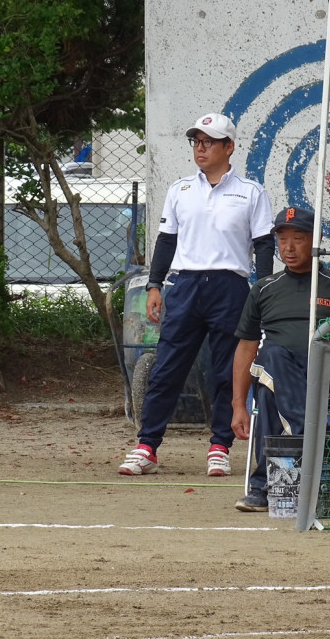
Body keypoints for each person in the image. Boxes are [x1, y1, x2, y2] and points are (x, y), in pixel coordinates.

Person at [118, 112, 275, 477]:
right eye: (196, 142)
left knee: (226, 370)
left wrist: (264, 291)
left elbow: (264, 244)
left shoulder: (251, 192)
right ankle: (146, 447)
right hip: (185, 286)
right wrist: (155, 285)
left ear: (229, 147)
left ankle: (220, 447)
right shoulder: (180, 190)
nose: (200, 148)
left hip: (230, 287)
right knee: (167, 368)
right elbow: (166, 240)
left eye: (209, 142)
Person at [229, 206, 330, 512]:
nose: (288, 247)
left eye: (298, 238)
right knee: (271, 363)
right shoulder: (263, 288)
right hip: (273, 373)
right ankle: (310, 443)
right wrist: (238, 405)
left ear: (316, 239)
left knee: (270, 385)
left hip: (324, 380)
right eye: (282, 239)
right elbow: (246, 347)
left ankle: (263, 486)